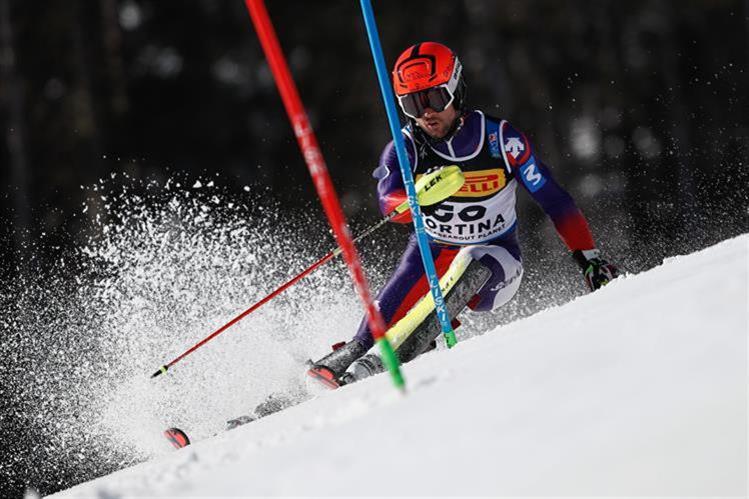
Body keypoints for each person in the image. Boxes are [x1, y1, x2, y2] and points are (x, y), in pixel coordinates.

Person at [307, 41, 618, 388]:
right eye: (412, 104)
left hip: (497, 263)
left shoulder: (499, 139)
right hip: (431, 254)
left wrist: (589, 258)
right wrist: (416, 195)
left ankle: (381, 359)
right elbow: (387, 204)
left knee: (472, 257)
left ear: (455, 89)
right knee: (374, 325)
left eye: (434, 99)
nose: (426, 113)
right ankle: (331, 372)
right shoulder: (405, 148)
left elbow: (554, 199)